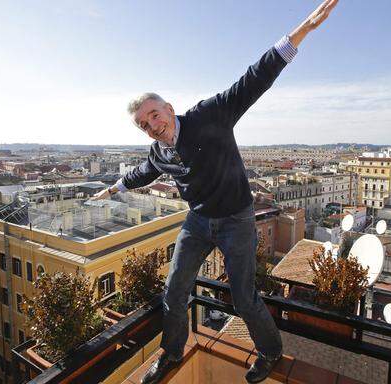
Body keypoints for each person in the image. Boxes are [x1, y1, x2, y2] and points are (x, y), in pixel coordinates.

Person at [92, 1, 339, 382]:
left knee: (243, 297)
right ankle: (171, 354)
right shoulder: (158, 151)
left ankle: (271, 351)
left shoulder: (209, 115)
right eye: (143, 124)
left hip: (237, 217)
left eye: (154, 115)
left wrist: (301, 32)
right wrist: (114, 188)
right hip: (199, 220)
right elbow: (144, 171)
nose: (151, 125)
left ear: (169, 109)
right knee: (174, 291)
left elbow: (252, 80)